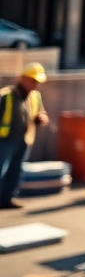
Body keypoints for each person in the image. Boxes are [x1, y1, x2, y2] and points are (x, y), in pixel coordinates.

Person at [0, 63, 49, 209]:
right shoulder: (6, 96)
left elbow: (40, 112)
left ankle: (6, 199)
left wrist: (41, 118)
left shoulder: (35, 96)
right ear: (22, 78)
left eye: (37, 82)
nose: (35, 85)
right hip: (4, 140)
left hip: (24, 139)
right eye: (33, 81)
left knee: (16, 170)